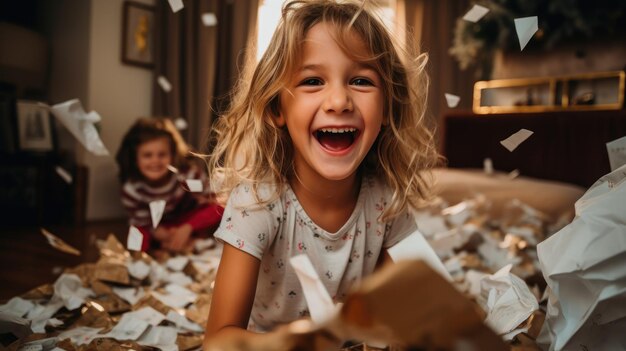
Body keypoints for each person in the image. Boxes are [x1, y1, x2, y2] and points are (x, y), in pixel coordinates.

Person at [205, 0, 439, 342]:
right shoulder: (256, 203)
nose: (339, 101)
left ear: (389, 107)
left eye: (361, 81)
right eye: (313, 81)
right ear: (276, 108)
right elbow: (219, 340)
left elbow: (411, 304)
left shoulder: (386, 202)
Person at [116, 117, 223, 252]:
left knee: (219, 207)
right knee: (137, 233)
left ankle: (187, 242)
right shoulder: (131, 189)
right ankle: (149, 255)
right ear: (135, 158)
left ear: (172, 155)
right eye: (147, 155)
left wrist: (187, 227)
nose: (155, 161)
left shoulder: (188, 175)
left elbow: (216, 201)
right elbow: (142, 222)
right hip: (156, 227)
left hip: (186, 222)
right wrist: (164, 235)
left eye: (162, 154)